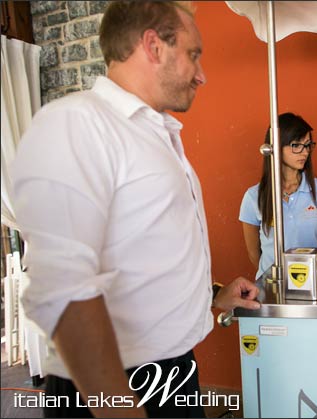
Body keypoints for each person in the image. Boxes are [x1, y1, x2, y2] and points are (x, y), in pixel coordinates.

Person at [9, 2, 260, 418]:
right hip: (113, 386)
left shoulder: (155, 133)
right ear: (153, 46)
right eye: (194, 54)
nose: (202, 74)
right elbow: (64, 291)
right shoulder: (77, 124)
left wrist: (214, 297)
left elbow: (145, 256)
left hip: (174, 373)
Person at [239, 113, 317, 279]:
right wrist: (276, 277)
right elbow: (254, 253)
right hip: (271, 284)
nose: (304, 152)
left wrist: (308, 271)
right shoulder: (253, 197)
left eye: (308, 145)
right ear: (275, 147)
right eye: (296, 145)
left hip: (311, 281)